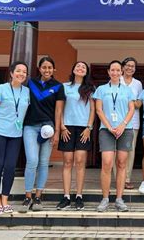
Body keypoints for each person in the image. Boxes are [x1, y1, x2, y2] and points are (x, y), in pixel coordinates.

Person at [19, 56, 65, 213]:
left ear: (54, 70)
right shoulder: (30, 83)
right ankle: (27, 196)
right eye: (44, 67)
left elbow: (58, 111)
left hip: (48, 128)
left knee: (44, 162)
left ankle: (38, 196)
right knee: (32, 161)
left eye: (50, 67)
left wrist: (57, 132)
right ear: (39, 69)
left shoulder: (58, 87)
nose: (47, 70)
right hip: (30, 127)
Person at [0, 61, 30, 215]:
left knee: (10, 166)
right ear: (11, 73)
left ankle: (5, 199)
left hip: (15, 134)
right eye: (18, 71)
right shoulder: (1, 88)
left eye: (24, 72)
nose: (21, 74)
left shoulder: (26, 92)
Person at [94, 60, 135, 212]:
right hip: (106, 129)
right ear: (108, 72)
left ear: (122, 72)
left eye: (118, 70)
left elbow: (131, 109)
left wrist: (122, 125)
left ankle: (119, 198)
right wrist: (110, 127)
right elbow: (99, 110)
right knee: (107, 163)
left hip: (125, 129)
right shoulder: (101, 89)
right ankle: (105, 198)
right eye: (113, 70)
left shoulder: (127, 90)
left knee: (122, 163)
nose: (115, 72)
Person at [56, 61, 95, 211]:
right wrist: (62, 126)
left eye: (83, 67)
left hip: (83, 128)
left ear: (86, 72)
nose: (80, 68)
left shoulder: (91, 89)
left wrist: (89, 128)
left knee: (79, 161)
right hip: (68, 127)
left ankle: (79, 195)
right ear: (73, 70)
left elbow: (92, 110)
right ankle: (66, 196)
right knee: (67, 161)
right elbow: (59, 109)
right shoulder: (64, 87)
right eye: (78, 66)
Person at [119, 57, 143, 189]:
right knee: (117, 150)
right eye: (127, 65)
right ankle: (118, 178)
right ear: (123, 67)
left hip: (133, 122)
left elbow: (139, 103)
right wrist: (130, 101)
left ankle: (126, 179)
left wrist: (128, 100)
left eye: (133, 66)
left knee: (130, 151)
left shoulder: (138, 84)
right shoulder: (117, 80)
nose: (130, 68)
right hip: (116, 121)